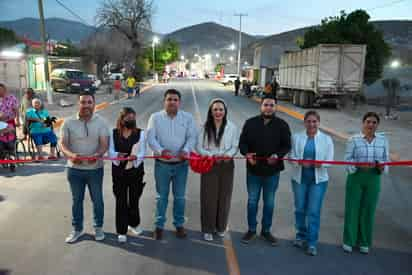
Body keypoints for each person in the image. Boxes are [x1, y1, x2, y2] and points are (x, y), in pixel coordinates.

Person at [239, 94, 291, 245]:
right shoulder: (250, 123)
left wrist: (277, 155)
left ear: (276, 107)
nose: (268, 108)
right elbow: (242, 143)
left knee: (269, 202)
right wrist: (247, 154)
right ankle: (251, 230)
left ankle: (266, 231)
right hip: (253, 170)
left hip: (272, 171)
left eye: (271, 105)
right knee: (252, 201)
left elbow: (287, 145)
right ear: (260, 106)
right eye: (266, 105)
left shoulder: (282, 125)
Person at [147, 89, 198, 240]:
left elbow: (192, 137)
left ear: (179, 102)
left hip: (181, 165)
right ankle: (159, 226)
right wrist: (160, 150)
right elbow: (151, 138)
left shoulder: (187, 118)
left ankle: (179, 225)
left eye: (175, 100)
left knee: (180, 197)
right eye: (169, 99)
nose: (172, 102)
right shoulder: (155, 117)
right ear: (164, 101)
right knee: (161, 197)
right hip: (162, 164)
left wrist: (186, 149)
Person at [60, 92, 110, 244]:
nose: (86, 105)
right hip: (74, 170)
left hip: (95, 169)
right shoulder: (68, 122)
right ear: (78, 104)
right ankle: (77, 229)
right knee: (77, 200)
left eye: (89, 102)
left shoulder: (101, 122)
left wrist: (97, 154)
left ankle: (98, 228)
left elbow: (104, 144)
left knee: (98, 200)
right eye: (83, 102)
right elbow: (63, 144)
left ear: (94, 104)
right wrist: (71, 155)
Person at [342, 112, 389, 254]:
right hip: (356, 176)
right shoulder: (353, 140)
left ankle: (364, 242)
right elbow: (347, 160)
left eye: (374, 122)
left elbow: (386, 161)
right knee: (352, 208)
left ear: (377, 125)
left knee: (368, 210)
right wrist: (357, 166)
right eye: (368, 122)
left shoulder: (383, 140)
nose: (371, 125)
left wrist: (382, 167)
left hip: (374, 177)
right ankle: (349, 241)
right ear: (363, 123)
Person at [289, 111, 334, 256]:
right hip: (299, 179)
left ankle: (312, 242)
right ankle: (301, 236)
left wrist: (320, 165)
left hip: (318, 181)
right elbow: (291, 157)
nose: (311, 124)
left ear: (318, 123)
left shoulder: (326, 139)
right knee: (300, 209)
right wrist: (299, 162)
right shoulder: (296, 137)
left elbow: (330, 160)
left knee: (313, 211)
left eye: (314, 121)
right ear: (304, 122)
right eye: (309, 121)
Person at [197, 98, 239, 241]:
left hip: (227, 165)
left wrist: (228, 155)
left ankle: (220, 227)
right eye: (215, 109)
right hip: (209, 164)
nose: (218, 112)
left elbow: (235, 146)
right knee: (209, 197)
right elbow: (199, 147)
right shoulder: (204, 127)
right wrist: (211, 155)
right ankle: (208, 228)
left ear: (225, 111)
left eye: (221, 109)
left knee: (224, 197)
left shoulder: (232, 127)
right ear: (211, 111)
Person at [109, 107, 146, 243]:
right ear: (121, 119)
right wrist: (117, 155)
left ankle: (134, 224)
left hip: (135, 171)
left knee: (134, 199)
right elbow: (110, 152)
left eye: (133, 117)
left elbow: (142, 152)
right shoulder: (113, 133)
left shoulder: (141, 134)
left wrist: (135, 157)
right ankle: (121, 230)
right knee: (121, 201)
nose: (131, 120)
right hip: (119, 172)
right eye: (128, 117)